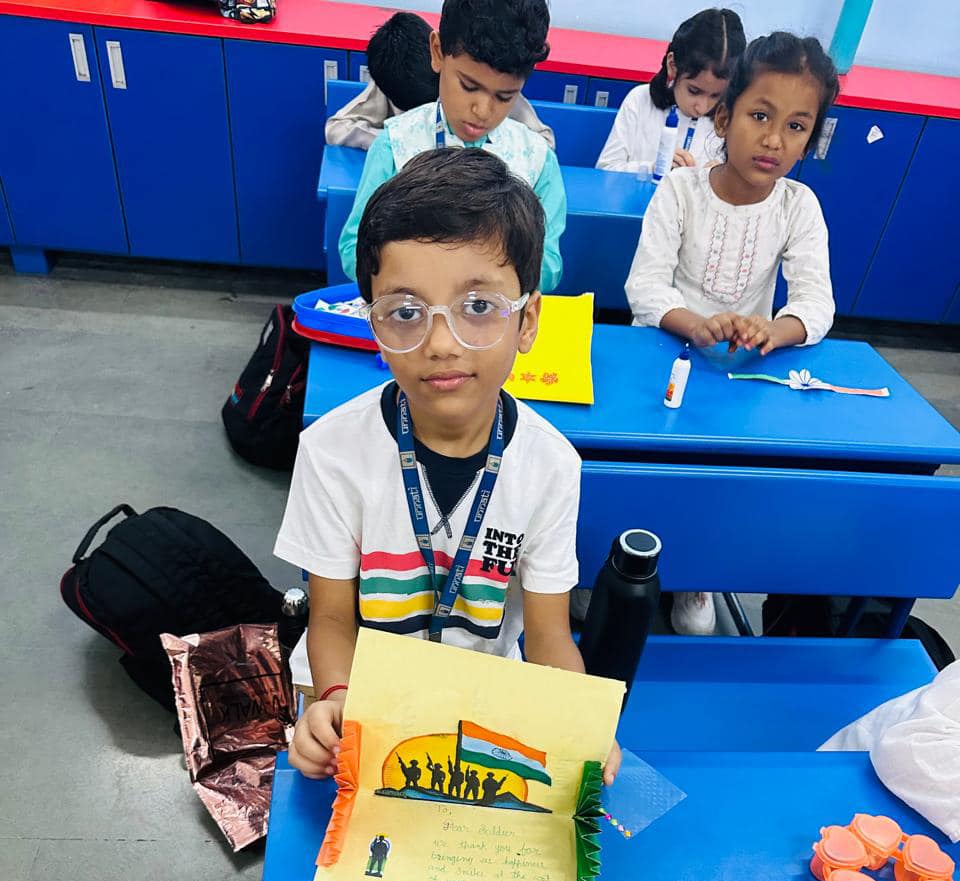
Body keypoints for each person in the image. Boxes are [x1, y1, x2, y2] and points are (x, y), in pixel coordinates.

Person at [276, 149, 619, 786]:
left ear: (528, 321)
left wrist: (578, 720)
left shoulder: (549, 465)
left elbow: (546, 634)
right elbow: (328, 618)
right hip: (358, 700)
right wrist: (333, 700)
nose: (441, 342)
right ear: (372, 323)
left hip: (478, 703)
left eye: (479, 308)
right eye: (405, 313)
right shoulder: (331, 451)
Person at [625, 31, 838, 635]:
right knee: (646, 468)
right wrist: (695, 325)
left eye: (797, 126)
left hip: (742, 374)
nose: (774, 139)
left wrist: (778, 330)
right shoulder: (681, 190)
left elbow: (817, 303)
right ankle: (624, 560)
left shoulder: (799, 207)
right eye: (760, 116)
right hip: (663, 359)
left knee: (722, 481)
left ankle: (696, 573)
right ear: (724, 116)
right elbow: (645, 288)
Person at [337, 0, 566, 294]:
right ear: (437, 52)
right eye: (469, 86)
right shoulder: (396, 145)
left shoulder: (536, 160)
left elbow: (547, 265)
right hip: (413, 316)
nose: (483, 110)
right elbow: (354, 248)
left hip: (492, 325)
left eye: (505, 96)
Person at [324, 11, 555, 152]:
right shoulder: (390, 80)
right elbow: (336, 128)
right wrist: (401, 142)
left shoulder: (488, 88)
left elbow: (544, 143)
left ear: (440, 61)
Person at [598, 10, 745, 175]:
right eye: (694, 91)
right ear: (672, 66)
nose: (702, 107)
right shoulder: (640, 100)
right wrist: (652, 168)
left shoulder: (729, 120)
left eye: (716, 96)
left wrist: (722, 178)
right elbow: (605, 171)